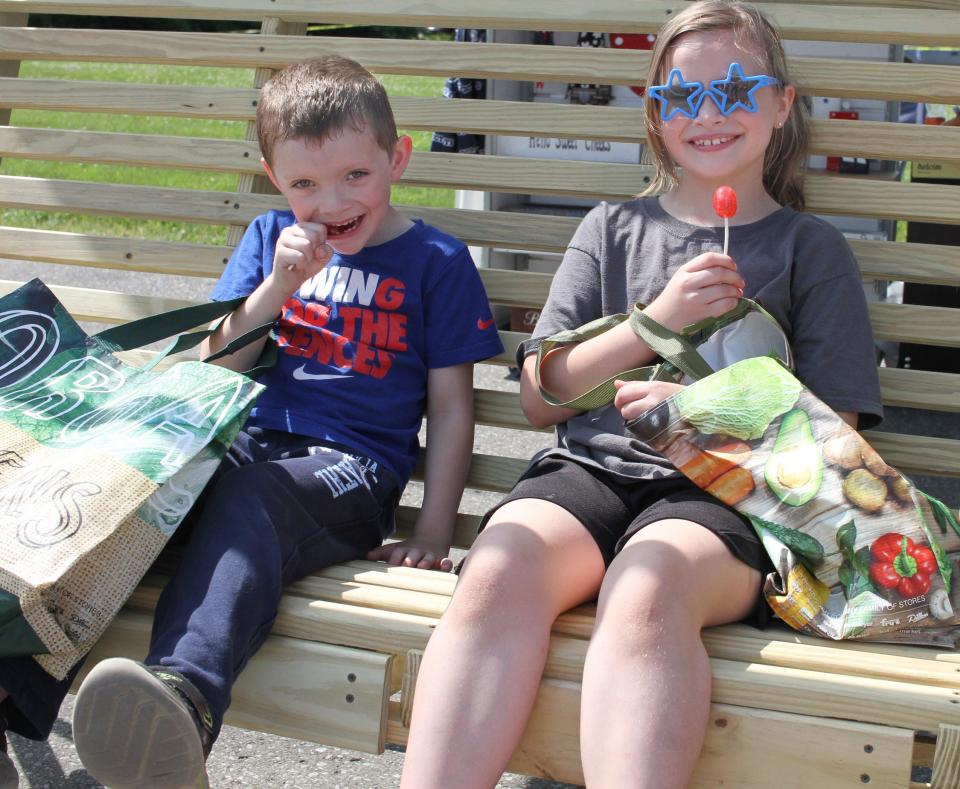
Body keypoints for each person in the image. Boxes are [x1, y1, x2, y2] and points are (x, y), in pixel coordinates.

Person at [398, 3, 882, 788]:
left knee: (646, 585)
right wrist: (654, 323)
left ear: (781, 103)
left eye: (732, 89)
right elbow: (541, 396)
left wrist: (696, 412)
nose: (708, 114)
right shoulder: (611, 229)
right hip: (593, 472)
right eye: (682, 97)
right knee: (497, 569)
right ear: (656, 116)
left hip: (729, 495)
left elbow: (838, 441)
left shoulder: (808, 250)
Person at [64, 56, 501, 789]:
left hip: (348, 469)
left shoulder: (437, 261)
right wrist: (275, 289)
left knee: (252, 495)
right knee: (121, 487)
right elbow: (215, 369)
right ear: (276, 178)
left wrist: (433, 529)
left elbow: (453, 407)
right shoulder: (271, 241)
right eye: (305, 185)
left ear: (397, 159)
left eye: (354, 177)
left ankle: (183, 698)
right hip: (249, 444)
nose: (330, 202)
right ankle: (20, 687)